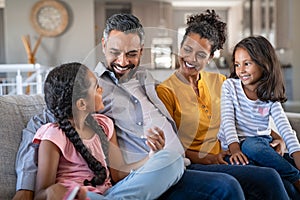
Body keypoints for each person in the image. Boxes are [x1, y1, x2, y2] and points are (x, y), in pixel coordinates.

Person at [13, 13, 245, 200]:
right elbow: (40, 123)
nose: (123, 62)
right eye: (115, 52)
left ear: (141, 51)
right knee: (227, 188)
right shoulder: (88, 86)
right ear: (104, 45)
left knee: (261, 180)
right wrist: (26, 188)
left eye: (132, 54)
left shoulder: (147, 80)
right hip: (144, 176)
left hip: (179, 164)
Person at [156, 10, 292, 200]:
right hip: (199, 164)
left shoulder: (221, 82)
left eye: (201, 54)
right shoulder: (165, 92)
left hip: (233, 155)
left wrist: (278, 138)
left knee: (286, 176)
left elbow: (251, 116)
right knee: (268, 178)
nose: (191, 59)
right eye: (187, 49)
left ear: (210, 57)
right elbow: (169, 148)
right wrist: (208, 158)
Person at [32, 62, 184, 199]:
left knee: (173, 159)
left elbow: (119, 174)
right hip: (80, 196)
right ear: (82, 104)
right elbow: (40, 193)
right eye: (96, 87)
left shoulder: (104, 125)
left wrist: (151, 157)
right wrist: (52, 192)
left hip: (111, 194)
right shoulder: (54, 135)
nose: (101, 89)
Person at [217, 35, 300, 192]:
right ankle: (296, 177)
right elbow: (227, 120)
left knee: (256, 148)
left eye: (247, 64)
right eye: (237, 65)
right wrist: (234, 149)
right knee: (250, 147)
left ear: (264, 64)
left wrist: (297, 153)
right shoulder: (230, 86)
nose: (241, 70)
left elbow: (284, 127)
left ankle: (294, 177)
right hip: (236, 147)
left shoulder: (269, 94)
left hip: (260, 143)